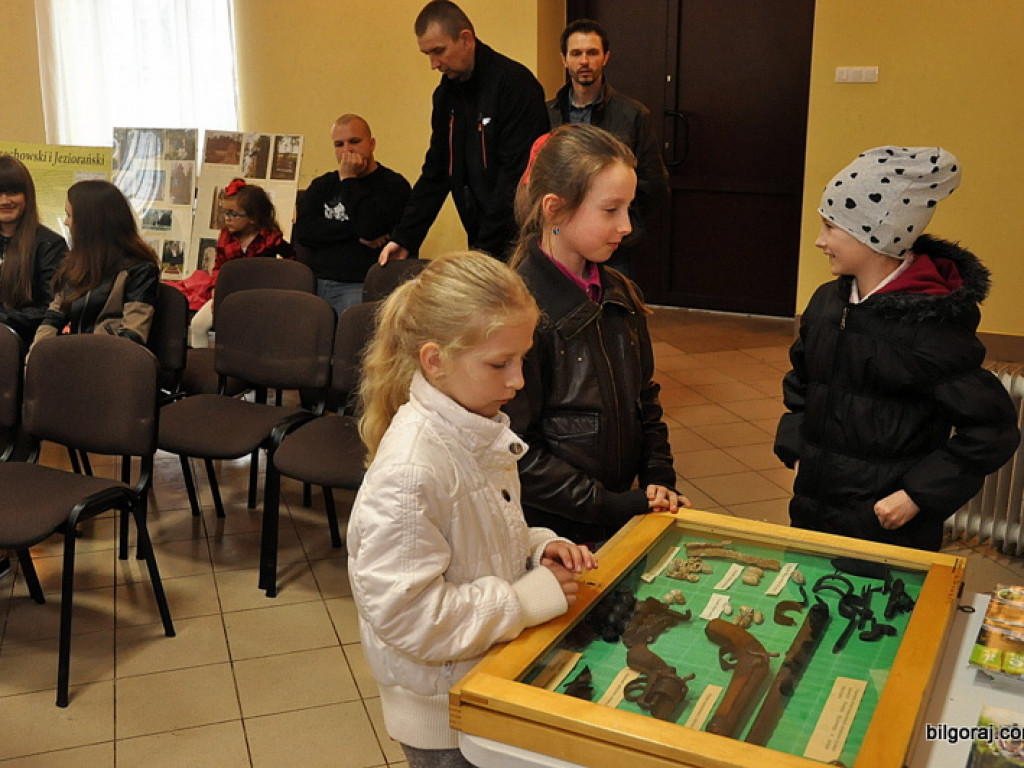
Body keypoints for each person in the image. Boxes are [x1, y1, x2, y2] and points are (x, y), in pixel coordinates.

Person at [347, 251, 597, 768]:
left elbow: (483, 534)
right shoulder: (412, 470)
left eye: (521, 359)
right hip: (445, 721)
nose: (519, 380)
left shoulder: (473, 426)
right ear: (434, 360)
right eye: (499, 364)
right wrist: (525, 600)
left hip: (485, 685)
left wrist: (537, 546)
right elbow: (410, 616)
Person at [774, 146, 1020, 551]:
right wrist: (796, 446)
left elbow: (991, 429)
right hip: (814, 512)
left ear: (875, 235)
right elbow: (801, 382)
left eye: (830, 227)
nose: (819, 241)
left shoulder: (928, 331)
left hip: (886, 528)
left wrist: (916, 496)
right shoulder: (824, 304)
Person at [504, 124, 688, 546]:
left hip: (621, 517)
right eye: (610, 210)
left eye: (629, 208)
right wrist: (608, 504)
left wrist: (659, 477)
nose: (626, 226)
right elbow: (513, 449)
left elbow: (646, 399)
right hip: (555, 535)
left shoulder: (622, 294)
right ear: (554, 208)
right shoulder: (517, 312)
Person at [378, 0, 549, 264]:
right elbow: (436, 172)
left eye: (439, 51)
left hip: (522, 243)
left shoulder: (516, 85)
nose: (433, 64)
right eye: (428, 55)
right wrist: (404, 238)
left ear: (466, 39)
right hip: (481, 239)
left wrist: (483, 251)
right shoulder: (446, 95)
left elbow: (517, 178)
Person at [547, 18, 669, 274]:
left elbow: (654, 184)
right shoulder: (547, 114)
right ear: (564, 59)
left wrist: (623, 222)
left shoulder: (633, 114)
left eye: (592, 53)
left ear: (605, 57)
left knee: (615, 309)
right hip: (561, 241)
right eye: (576, 53)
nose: (584, 61)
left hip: (614, 247)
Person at [292, 114, 410, 315]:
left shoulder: (393, 185)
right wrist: (356, 233)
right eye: (339, 144)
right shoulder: (322, 185)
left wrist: (348, 180)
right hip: (317, 281)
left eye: (355, 142)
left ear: (371, 144)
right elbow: (304, 233)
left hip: (362, 283)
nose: (347, 150)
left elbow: (369, 227)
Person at [33, 180, 160, 348]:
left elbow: (132, 337)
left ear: (90, 223)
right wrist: (35, 356)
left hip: (111, 362)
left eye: (70, 215)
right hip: (74, 356)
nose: (66, 222)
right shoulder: (75, 265)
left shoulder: (140, 270)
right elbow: (53, 317)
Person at [188, 179, 295, 348]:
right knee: (198, 325)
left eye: (233, 214)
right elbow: (218, 267)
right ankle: (205, 365)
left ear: (253, 218)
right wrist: (216, 292)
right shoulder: (226, 237)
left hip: (260, 297)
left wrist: (280, 288)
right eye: (225, 213)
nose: (227, 219)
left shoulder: (270, 238)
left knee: (248, 335)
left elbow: (291, 261)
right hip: (229, 292)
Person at [0, 155, 67, 344]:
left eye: (12, 192)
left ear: (27, 195)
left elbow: (51, 308)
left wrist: (4, 320)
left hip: (26, 347)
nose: (4, 200)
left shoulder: (51, 245)